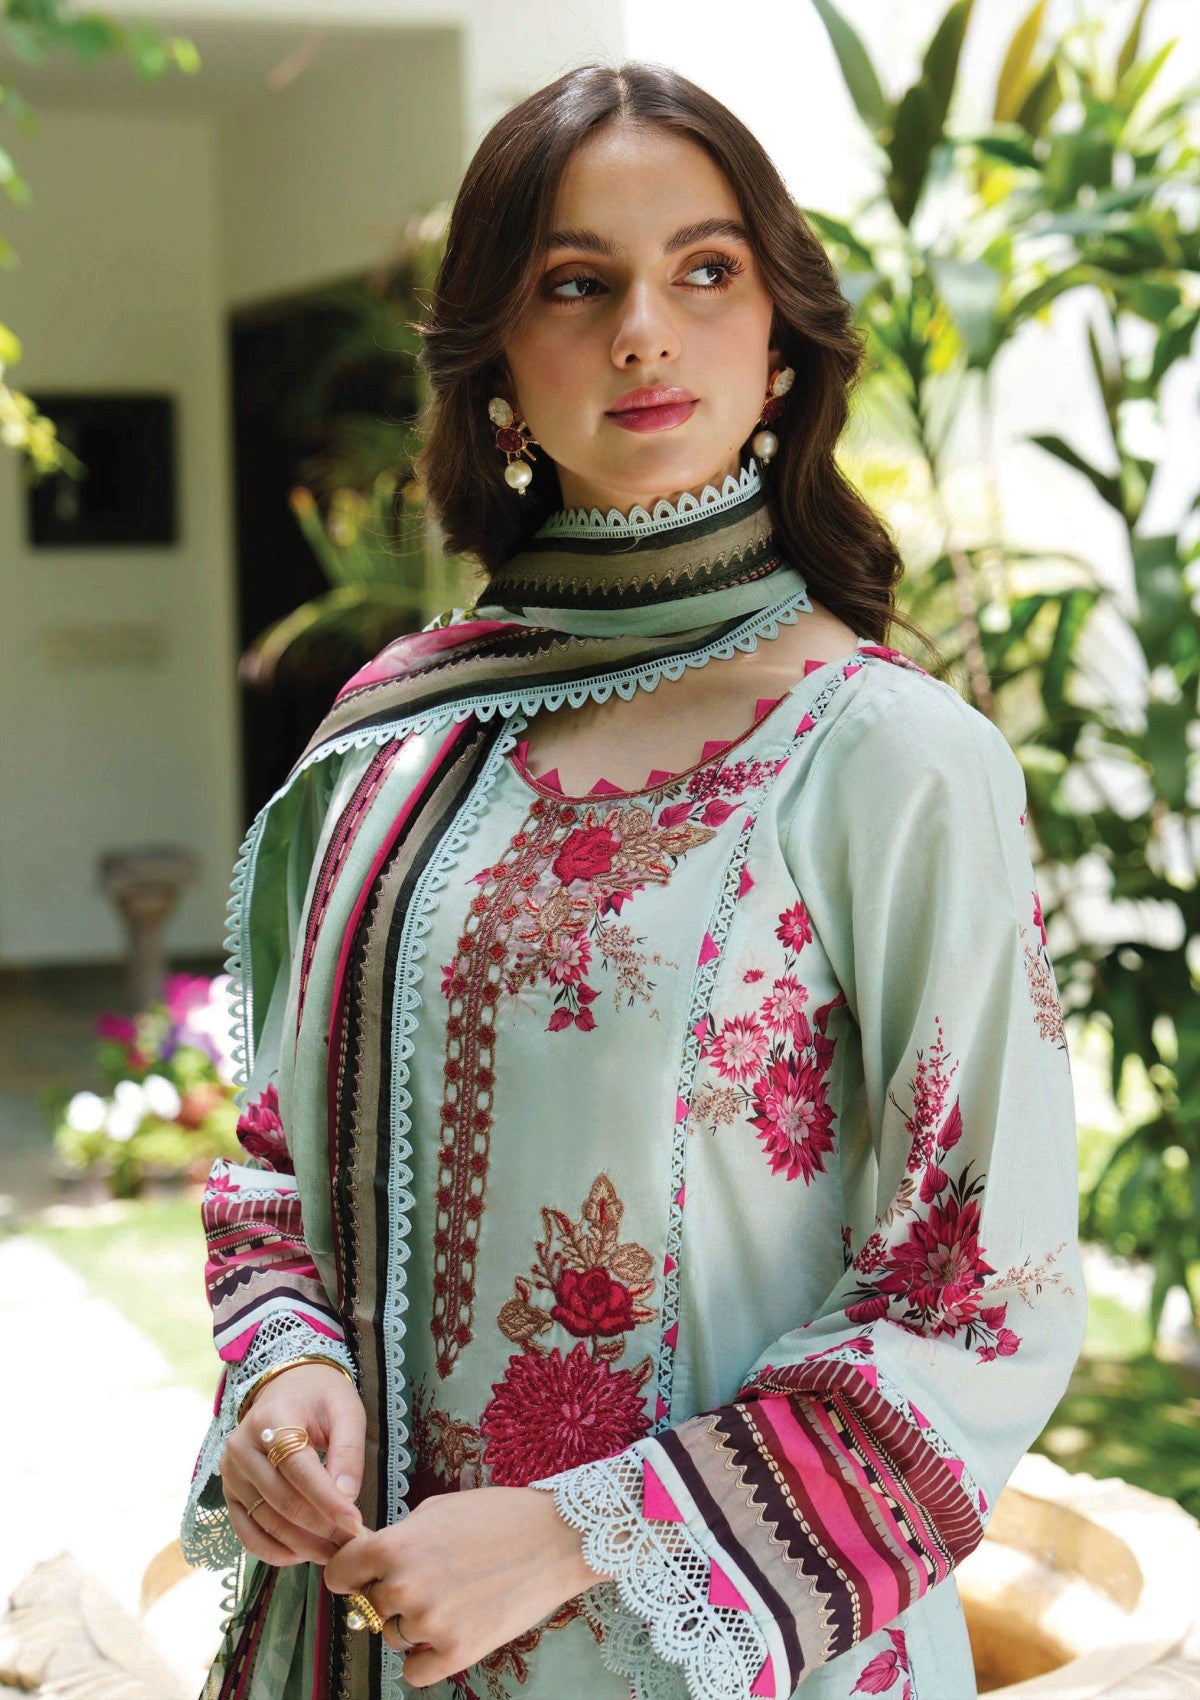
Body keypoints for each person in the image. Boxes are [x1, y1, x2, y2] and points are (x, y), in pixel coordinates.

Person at [183, 59, 1087, 1700]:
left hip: (707, 1654)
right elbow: (278, 1160)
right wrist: (283, 1380)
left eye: (706, 271)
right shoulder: (401, 741)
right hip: (356, 1632)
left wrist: (569, 1535)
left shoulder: (884, 756)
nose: (646, 333)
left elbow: (979, 1293)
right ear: (497, 365)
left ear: (781, 338)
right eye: (575, 285)